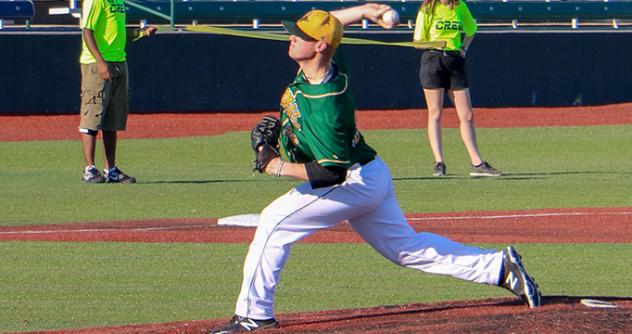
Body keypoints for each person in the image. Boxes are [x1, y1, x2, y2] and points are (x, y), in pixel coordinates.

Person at [211, 4, 540, 333]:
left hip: (351, 182)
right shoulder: (322, 64)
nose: (292, 38)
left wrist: (275, 166)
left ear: (320, 46)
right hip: (371, 172)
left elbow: (330, 174)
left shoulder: (327, 102)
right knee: (404, 248)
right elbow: (334, 23)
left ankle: (254, 314)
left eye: (301, 36)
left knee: (273, 222)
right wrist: (368, 8)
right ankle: (499, 266)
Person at [413, 0, 501, 177]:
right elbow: (417, 42)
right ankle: (439, 162)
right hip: (433, 60)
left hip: (454, 62)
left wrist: (464, 47)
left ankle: (477, 163)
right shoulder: (428, 7)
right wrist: (436, 43)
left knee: (466, 114)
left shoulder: (460, 6)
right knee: (435, 113)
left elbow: (471, 29)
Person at [79, 0, 156, 183]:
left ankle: (110, 170)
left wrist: (141, 33)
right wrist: (100, 62)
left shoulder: (118, 2)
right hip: (98, 65)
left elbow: (117, 34)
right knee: (92, 116)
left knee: (112, 120)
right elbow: (87, 31)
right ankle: (89, 169)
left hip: (119, 62)